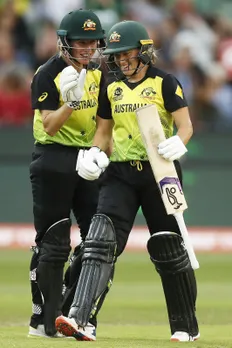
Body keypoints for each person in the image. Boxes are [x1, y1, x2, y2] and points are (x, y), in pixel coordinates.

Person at [55, 20, 200, 342]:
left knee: (168, 248)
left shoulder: (165, 82)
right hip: (120, 173)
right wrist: (93, 153)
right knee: (98, 242)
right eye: (117, 55)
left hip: (159, 172)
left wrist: (180, 142)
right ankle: (79, 318)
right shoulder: (112, 87)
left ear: (144, 52)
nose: (121, 61)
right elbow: (104, 133)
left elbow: (185, 125)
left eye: (127, 54)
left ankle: (184, 326)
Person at [28, 9, 109, 339]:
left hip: (86, 158)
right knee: (53, 242)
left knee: (97, 242)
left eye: (93, 42)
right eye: (81, 42)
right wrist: (71, 103)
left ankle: (75, 313)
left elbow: (106, 122)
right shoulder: (47, 73)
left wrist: (100, 154)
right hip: (53, 156)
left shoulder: (99, 74)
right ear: (66, 43)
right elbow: (48, 124)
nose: (88, 48)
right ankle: (45, 321)